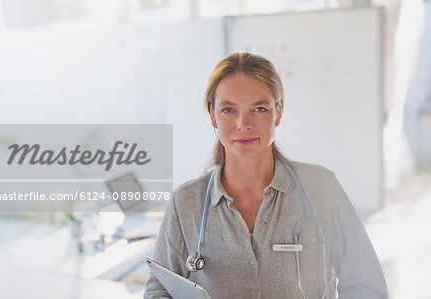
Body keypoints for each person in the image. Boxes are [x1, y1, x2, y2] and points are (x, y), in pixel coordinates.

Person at [144, 52, 388, 298]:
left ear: (278, 112)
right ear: (212, 114)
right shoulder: (184, 203)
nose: (243, 123)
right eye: (228, 109)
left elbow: (366, 287)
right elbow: (158, 291)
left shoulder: (322, 188)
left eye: (259, 108)